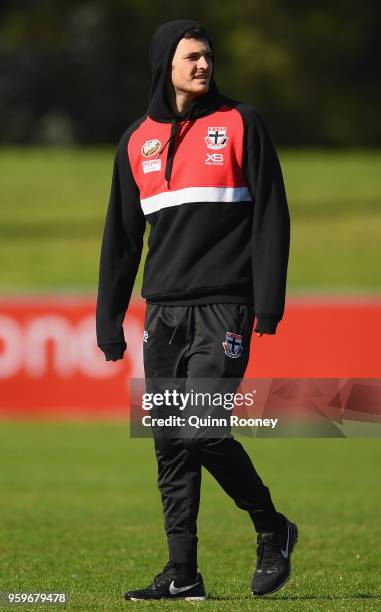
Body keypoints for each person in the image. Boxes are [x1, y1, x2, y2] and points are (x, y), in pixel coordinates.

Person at [96, 19, 297, 601]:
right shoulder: (137, 141)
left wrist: (268, 301)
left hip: (225, 309)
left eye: (208, 56)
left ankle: (271, 527)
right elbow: (122, 239)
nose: (204, 65)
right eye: (192, 57)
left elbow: (272, 217)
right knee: (169, 443)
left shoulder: (241, 123)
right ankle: (183, 573)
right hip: (163, 314)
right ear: (166, 64)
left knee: (201, 429)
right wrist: (109, 318)